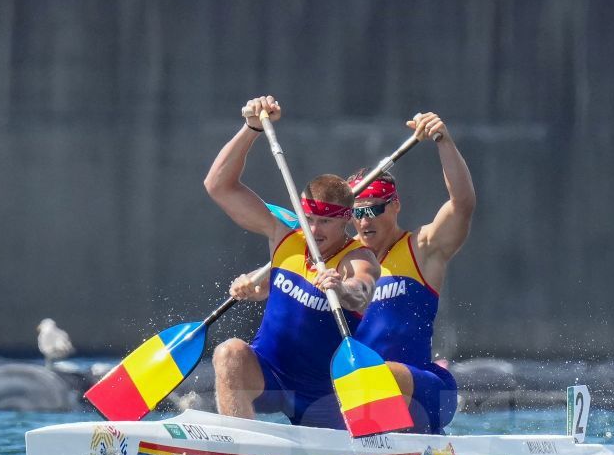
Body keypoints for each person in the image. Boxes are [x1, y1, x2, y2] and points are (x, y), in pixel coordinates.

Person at [204, 95, 379, 427]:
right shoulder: (284, 236)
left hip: (321, 395)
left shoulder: (357, 257)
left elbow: (362, 291)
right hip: (269, 376)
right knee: (229, 352)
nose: (314, 230)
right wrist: (251, 128)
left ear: (346, 220)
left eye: (325, 222)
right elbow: (218, 186)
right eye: (308, 219)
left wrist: (342, 290)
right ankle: (239, 447)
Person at [348, 111, 475, 433]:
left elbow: (462, 204)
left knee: (379, 372)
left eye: (375, 209)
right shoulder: (340, 259)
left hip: (425, 389)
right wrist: (254, 285)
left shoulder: (423, 247)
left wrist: (443, 141)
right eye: (357, 212)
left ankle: (379, 447)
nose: (365, 221)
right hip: (359, 396)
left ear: (395, 205)